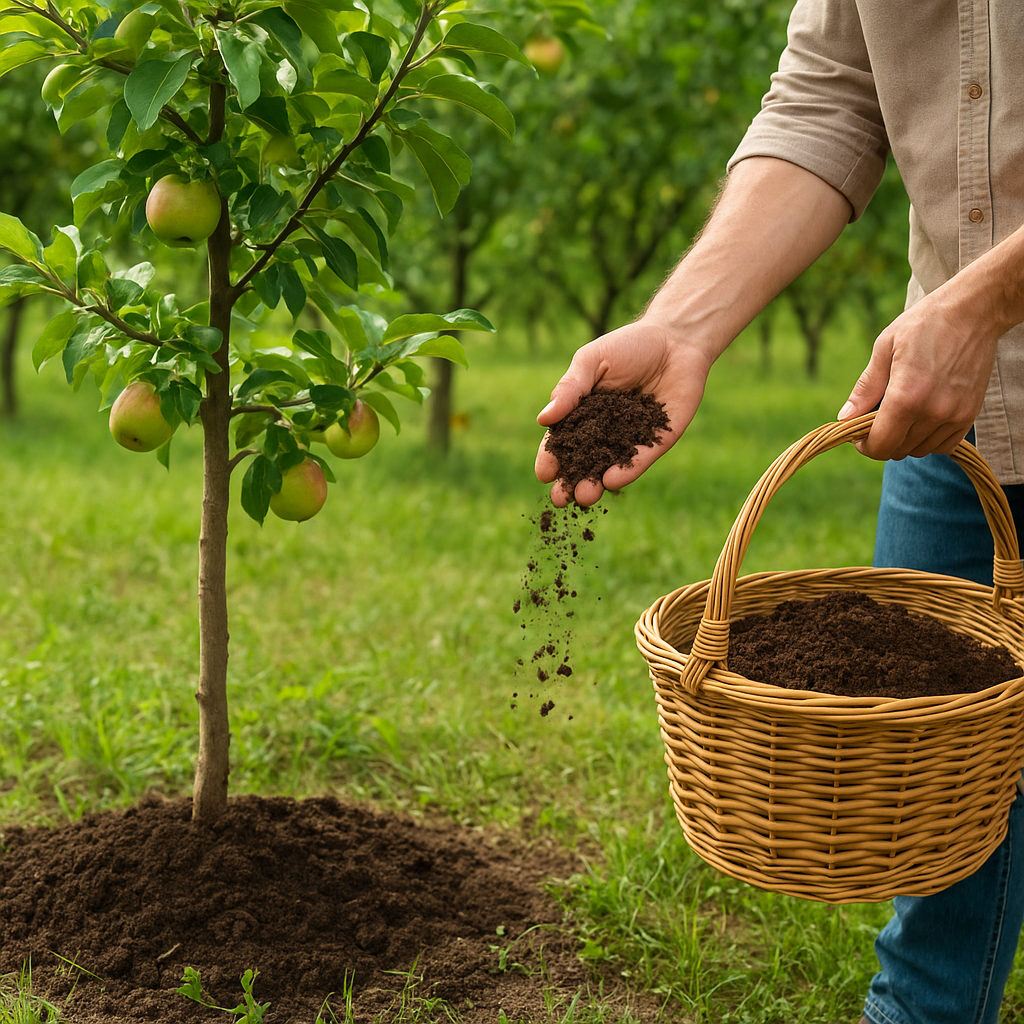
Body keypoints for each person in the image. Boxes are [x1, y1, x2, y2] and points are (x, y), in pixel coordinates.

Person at [534, 4, 1024, 1024]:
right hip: (950, 413)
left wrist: (983, 301)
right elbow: (828, 98)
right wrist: (683, 326)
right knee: (933, 811)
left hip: (958, 345)